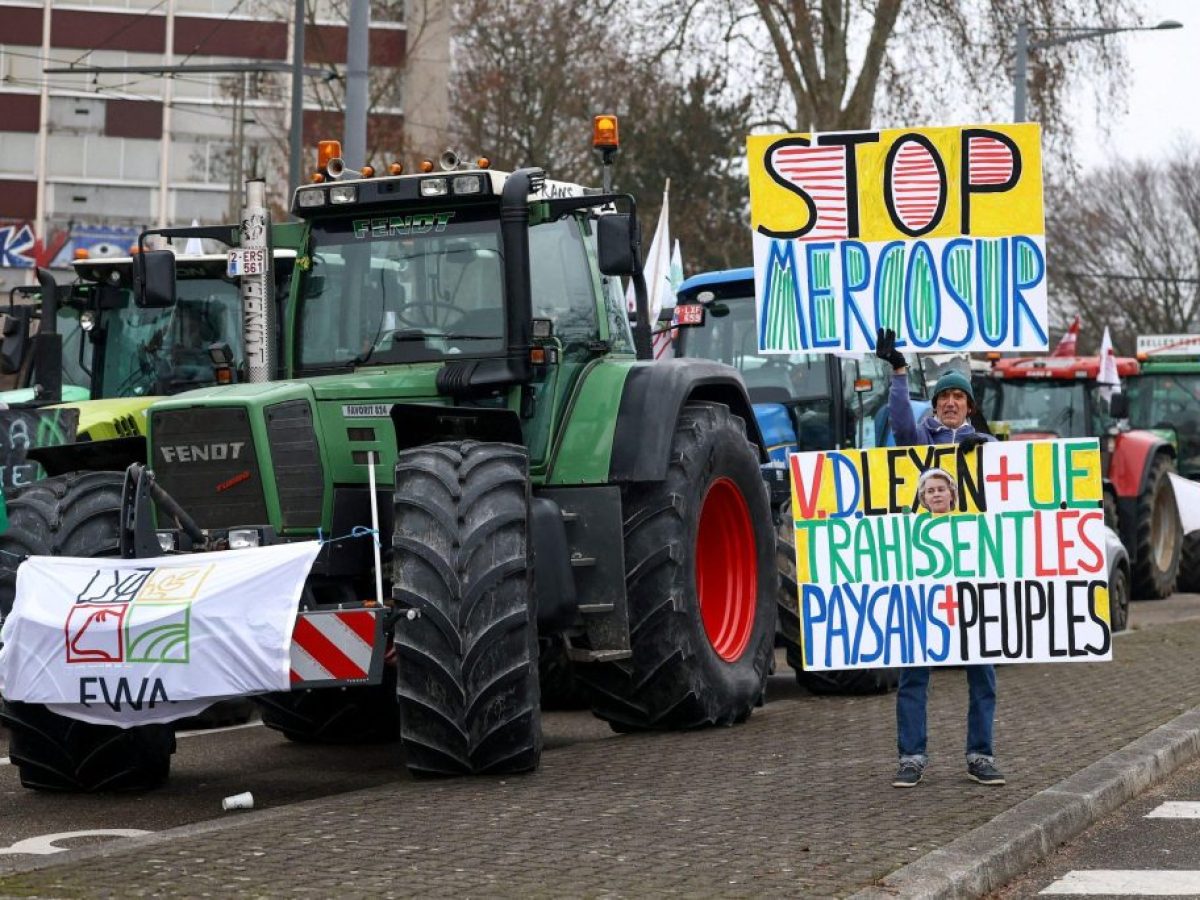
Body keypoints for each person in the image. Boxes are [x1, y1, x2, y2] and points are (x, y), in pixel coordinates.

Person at [875, 327, 1004, 789]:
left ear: (969, 406)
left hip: (971, 578)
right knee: (914, 672)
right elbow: (898, 424)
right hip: (922, 578)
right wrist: (898, 372)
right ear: (934, 406)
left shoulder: (987, 445)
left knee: (982, 673)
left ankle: (980, 755)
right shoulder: (917, 438)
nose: (951, 403)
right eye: (944, 397)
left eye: (958, 397)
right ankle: (911, 757)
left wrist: (983, 450)